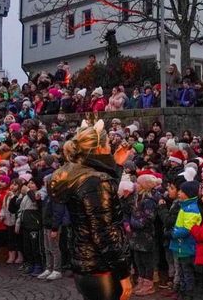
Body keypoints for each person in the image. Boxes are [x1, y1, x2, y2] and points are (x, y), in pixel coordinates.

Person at [48, 121, 133, 300]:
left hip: (86, 261)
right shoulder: (95, 181)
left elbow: (101, 202)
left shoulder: (81, 175)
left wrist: (116, 166)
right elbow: (103, 231)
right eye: (108, 144)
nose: (111, 147)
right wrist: (123, 273)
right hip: (102, 266)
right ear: (100, 149)